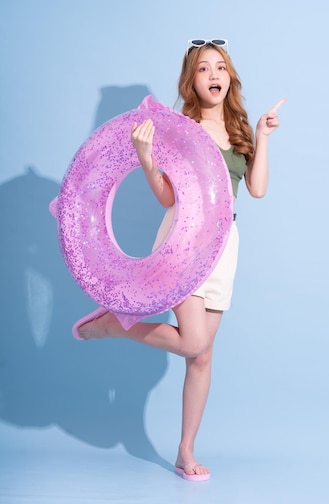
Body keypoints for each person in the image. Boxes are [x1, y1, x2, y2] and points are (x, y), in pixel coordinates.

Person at [71, 38, 286, 481]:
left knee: (202, 358)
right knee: (193, 342)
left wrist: (263, 137)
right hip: (182, 244)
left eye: (221, 68)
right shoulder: (182, 127)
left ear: (230, 78)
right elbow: (169, 195)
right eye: (204, 69)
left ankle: (185, 451)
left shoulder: (241, 130)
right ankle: (113, 324)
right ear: (192, 81)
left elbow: (258, 189)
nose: (214, 75)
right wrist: (147, 158)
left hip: (225, 246)